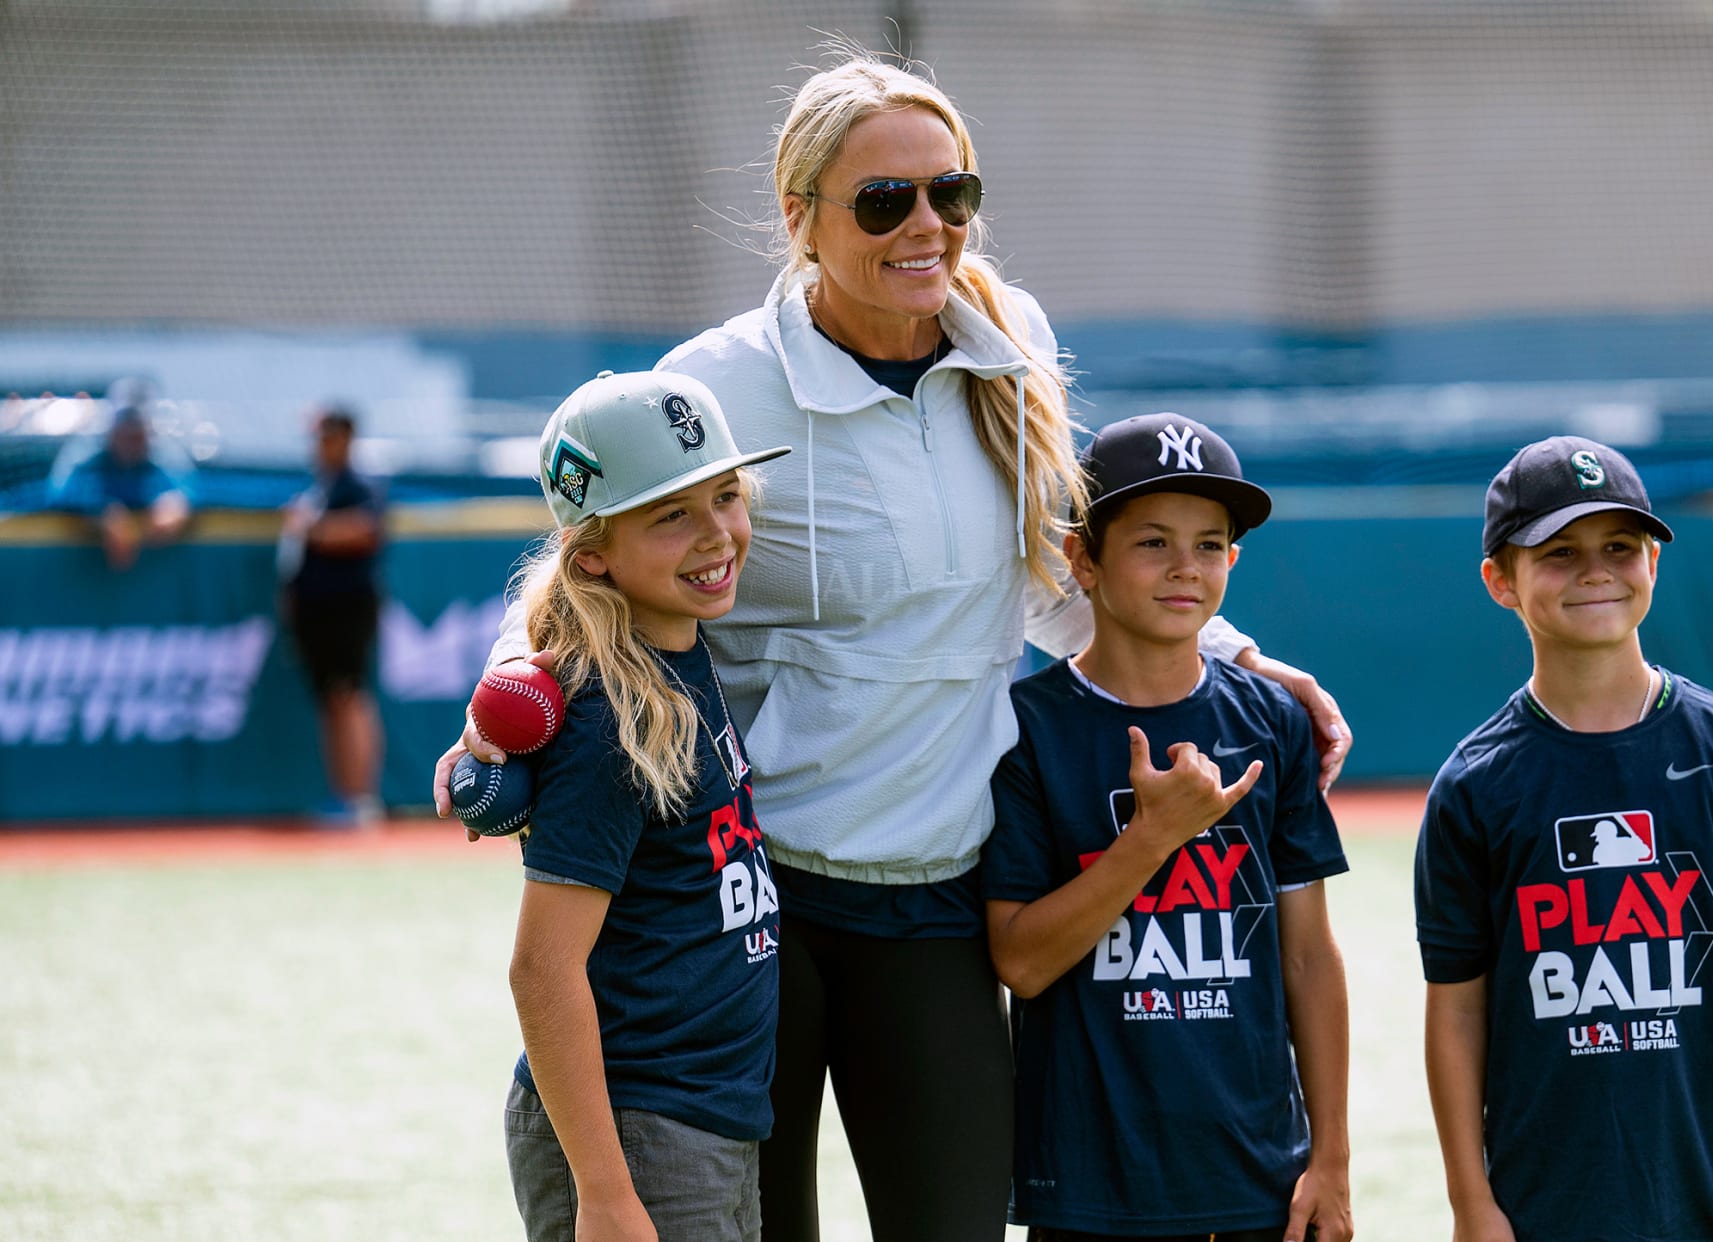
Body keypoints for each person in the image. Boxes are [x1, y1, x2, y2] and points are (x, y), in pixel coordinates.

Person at [436, 51, 1353, 1242]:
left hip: (938, 891)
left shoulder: (1012, 341)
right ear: (800, 216)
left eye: (951, 193)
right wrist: (503, 707)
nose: (928, 226)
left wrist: (1230, 655)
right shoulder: (716, 382)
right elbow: (587, 554)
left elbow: (1038, 576)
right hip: (753, 901)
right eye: (884, 201)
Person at [1416, 436, 1713, 1242]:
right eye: (1559, 553)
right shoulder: (1474, 784)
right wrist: (1472, 1202)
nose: (1595, 572)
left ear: (1653, 562)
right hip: (1544, 1202)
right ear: (1500, 581)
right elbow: (1457, 1006)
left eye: (1619, 547)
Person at [983, 415, 1354, 1242]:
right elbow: (1022, 962)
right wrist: (1152, 839)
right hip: (1091, 1184)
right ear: (1081, 560)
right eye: (1153, 542)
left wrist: (1330, 1156)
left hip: (1261, 1176)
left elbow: (1307, 955)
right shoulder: (1025, 730)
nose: (1186, 566)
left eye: (1209, 545)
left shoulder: (1271, 721)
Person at [500, 370, 790, 1241]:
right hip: (638, 1130)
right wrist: (603, 1191)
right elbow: (541, 970)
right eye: (671, 515)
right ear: (592, 552)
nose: (717, 534)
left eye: (725, 496)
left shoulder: (677, 653)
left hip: (700, 1118)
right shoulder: (609, 718)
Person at [279, 405, 386, 827]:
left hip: (346, 606)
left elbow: (365, 529)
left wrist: (311, 528)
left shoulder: (357, 483)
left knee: (350, 695)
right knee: (333, 701)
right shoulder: (320, 487)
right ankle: (344, 797)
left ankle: (360, 799)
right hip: (318, 611)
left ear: (345, 438)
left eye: (327, 437)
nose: (320, 446)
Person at [47, 402, 192, 571]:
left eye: (138, 436)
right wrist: (104, 514)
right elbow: (58, 493)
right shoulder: (89, 460)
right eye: (126, 436)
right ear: (112, 435)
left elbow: (189, 490)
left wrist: (175, 504)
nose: (133, 444)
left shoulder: (160, 461)